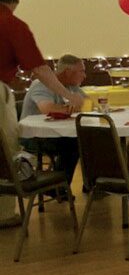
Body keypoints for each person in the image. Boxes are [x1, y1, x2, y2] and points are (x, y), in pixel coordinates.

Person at [1, 0, 85, 225]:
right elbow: (38, 68)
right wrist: (69, 96)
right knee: (4, 153)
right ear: (16, 0)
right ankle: (4, 214)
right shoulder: (13, 24)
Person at [19, 54, 87, 186]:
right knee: (74, 144)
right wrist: (72, 108)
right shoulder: (41, 84)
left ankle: (91, 185)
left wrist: (81, 103)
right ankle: (57, 187)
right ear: (68, 72)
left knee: (89, 139)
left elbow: (90, 104)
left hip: (58, 133)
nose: (85, 76)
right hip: (34, 137)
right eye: (82, 71)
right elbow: (47, 109)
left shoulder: (71, 87)